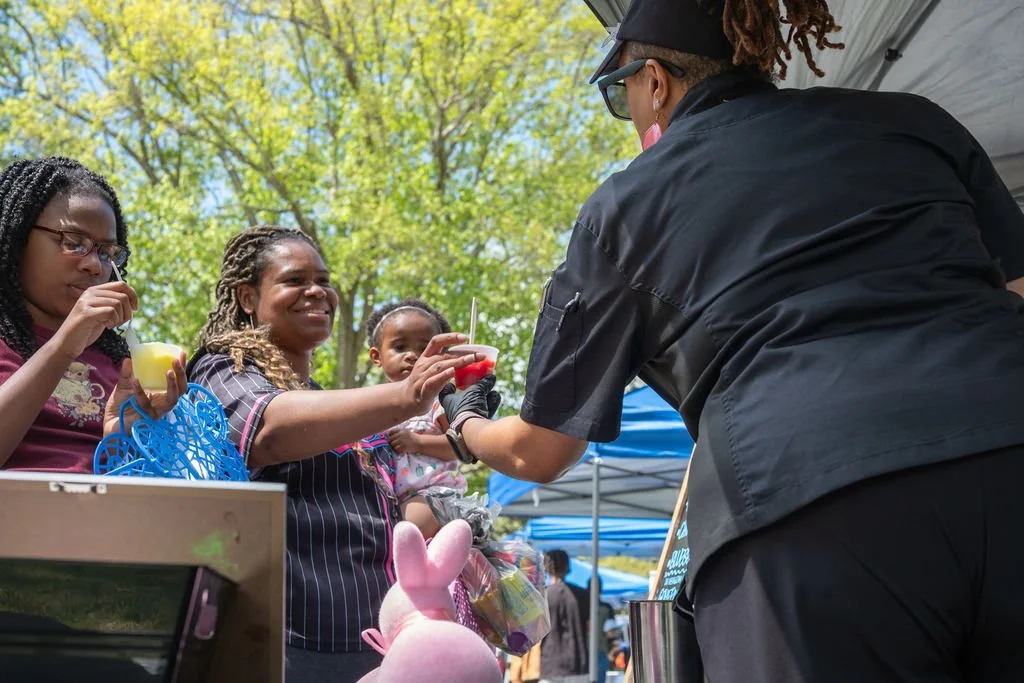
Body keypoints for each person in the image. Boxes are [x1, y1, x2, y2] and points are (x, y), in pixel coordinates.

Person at [438, 0, 1024, 681]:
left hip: (807, 501)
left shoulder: (626, 207)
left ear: (654, 81)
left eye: (617, 93)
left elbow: (539, 449)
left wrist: (466, 422)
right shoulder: (914, 121)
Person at [187, 226, 481, 683]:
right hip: (292, 645)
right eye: (294, 280)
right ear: (247, 297)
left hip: (373, 644)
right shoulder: (223, 369)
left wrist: (460, 435)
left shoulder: (325, 399)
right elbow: (269, 429)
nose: (316, 292)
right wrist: (406, 395)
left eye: (324, 280)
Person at [0, 156, 187, 473]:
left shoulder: (119, 361)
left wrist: (120, 435)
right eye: (73, 243)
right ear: (17, 236)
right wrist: (64, 346)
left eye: (106, 253)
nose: (94, 266)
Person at [366, 298, 466, 539]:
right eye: (400, 347)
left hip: (433, 495)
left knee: (396, 536)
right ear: (376, 356)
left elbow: (462, 447)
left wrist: (418, 443)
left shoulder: (438, 401)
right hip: (391, 499)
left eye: (423, 350)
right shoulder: (371, 405)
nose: (412, 356)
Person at [540, 550, 587, 683]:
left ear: (547, 568)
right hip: (578, 662)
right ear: (568, 567)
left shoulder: (542, 595)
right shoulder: (582, 595)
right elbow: (590, 628)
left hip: (550, 662)